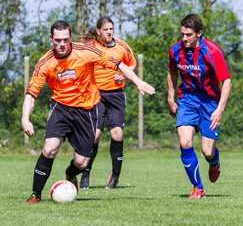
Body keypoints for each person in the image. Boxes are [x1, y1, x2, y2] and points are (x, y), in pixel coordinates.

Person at [22, 20, 155, 204]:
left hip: (87, 110)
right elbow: (31, 93)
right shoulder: (45, 62)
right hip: (60, 108)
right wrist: (25, 118)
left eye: (65, 40)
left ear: (70, 38)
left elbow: (118, 64)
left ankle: (70, 173)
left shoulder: (85, 52)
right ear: (51, 39)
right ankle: (35, 195)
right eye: (57, 40)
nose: (62, 44)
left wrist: (138, 82)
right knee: (50, 148)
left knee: (82, 162)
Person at [167, 14, 232, 199]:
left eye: (188, 35)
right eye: (182, 34)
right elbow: (172, 72)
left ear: (199, 33)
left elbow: (226, 81)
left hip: (210, 101)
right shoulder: (175, 51)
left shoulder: (212, 51)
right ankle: (198, 188)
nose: (184, 39)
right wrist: (171, 99)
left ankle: (214, 164)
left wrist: (219, 110)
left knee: (207, 151)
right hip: (187, 99)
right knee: (185, 142)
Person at [78, 17, 136, 189]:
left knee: (117, 135)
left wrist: (124, 74)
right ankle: (85, 174)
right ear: (98, 31)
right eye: (106, 29)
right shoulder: (91, 48)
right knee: (94, 136)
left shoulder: (122, 46)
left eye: (112, 28)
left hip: (116, 96)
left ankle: (115, 177)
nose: (109, 32)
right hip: (96, 95)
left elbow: (132, 64)